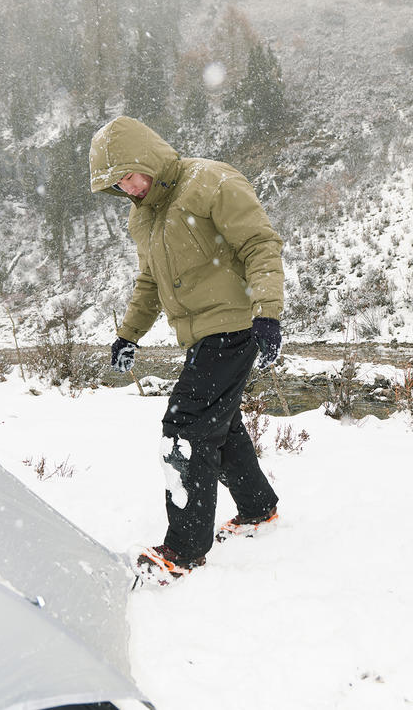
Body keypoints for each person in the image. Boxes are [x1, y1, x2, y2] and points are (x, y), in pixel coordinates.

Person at [89, 116, 284, 583]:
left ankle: (184, 550)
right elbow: (150, 282)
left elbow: (259, 244)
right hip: (200, 335)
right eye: (119, 184)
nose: (129, 188)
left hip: (235, 325)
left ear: (148, 158)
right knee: (221, 425)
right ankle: (258, 508)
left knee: (185, 428)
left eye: (131, 174)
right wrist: (128, 334)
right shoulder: (143, 217)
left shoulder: (210, 181)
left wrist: (268, 311)